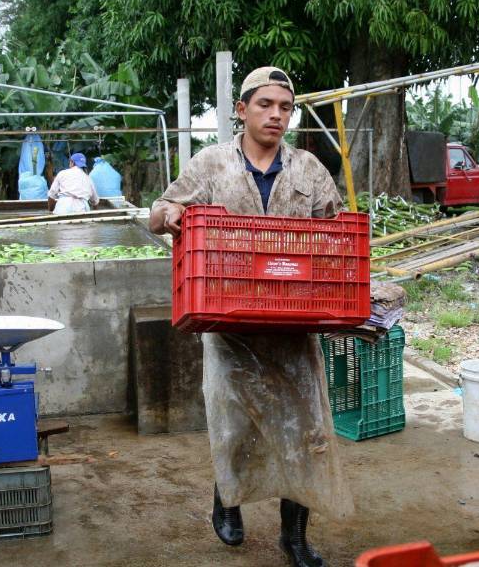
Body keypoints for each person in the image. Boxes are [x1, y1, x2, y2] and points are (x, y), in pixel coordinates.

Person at [149, 67, 352, 567]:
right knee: (235, 425)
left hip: (292, 324)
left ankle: (295, 538)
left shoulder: (309, 169)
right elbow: (161, 208)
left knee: (304, 431)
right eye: (265, 105)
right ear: (241, 110)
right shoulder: (212, 164)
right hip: (229, 323)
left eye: (285, 107)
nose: (276, 115)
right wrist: (167, 214)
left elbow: (336, 233)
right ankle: (228, 500)